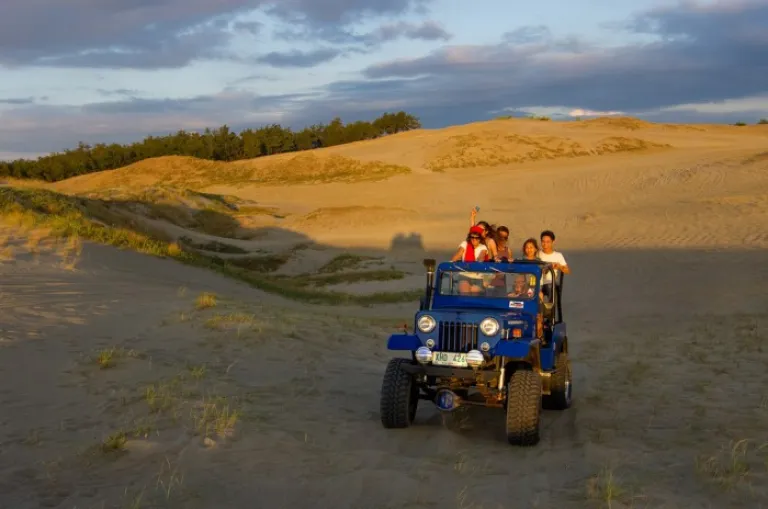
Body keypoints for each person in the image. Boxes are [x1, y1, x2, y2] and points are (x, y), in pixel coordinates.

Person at [538, 230, 570, 299]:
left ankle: (549, 309)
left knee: (550, 289)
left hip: (550, 283)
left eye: (548, 242)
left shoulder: (558, 255)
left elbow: (567, 270)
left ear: (553, 242)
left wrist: (559, 266)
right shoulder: (537, 254)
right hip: (537, 282)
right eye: (543, 241)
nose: (545, 244)